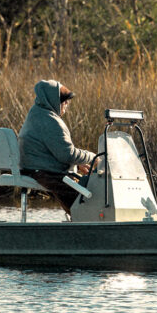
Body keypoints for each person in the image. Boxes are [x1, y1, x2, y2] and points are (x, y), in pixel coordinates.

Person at [18, 80, 96, 214]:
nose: (67, 104)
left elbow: (50, 152)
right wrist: (92, 157)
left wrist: (76, 165)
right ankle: (89, 224)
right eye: (63, 101)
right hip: (43, 173)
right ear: (51, 99)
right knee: (88, 197)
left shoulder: (37, 113)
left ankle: (79, 223)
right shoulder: (49, 120)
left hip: (36, 169)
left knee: (83, 190)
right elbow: (67, 155)